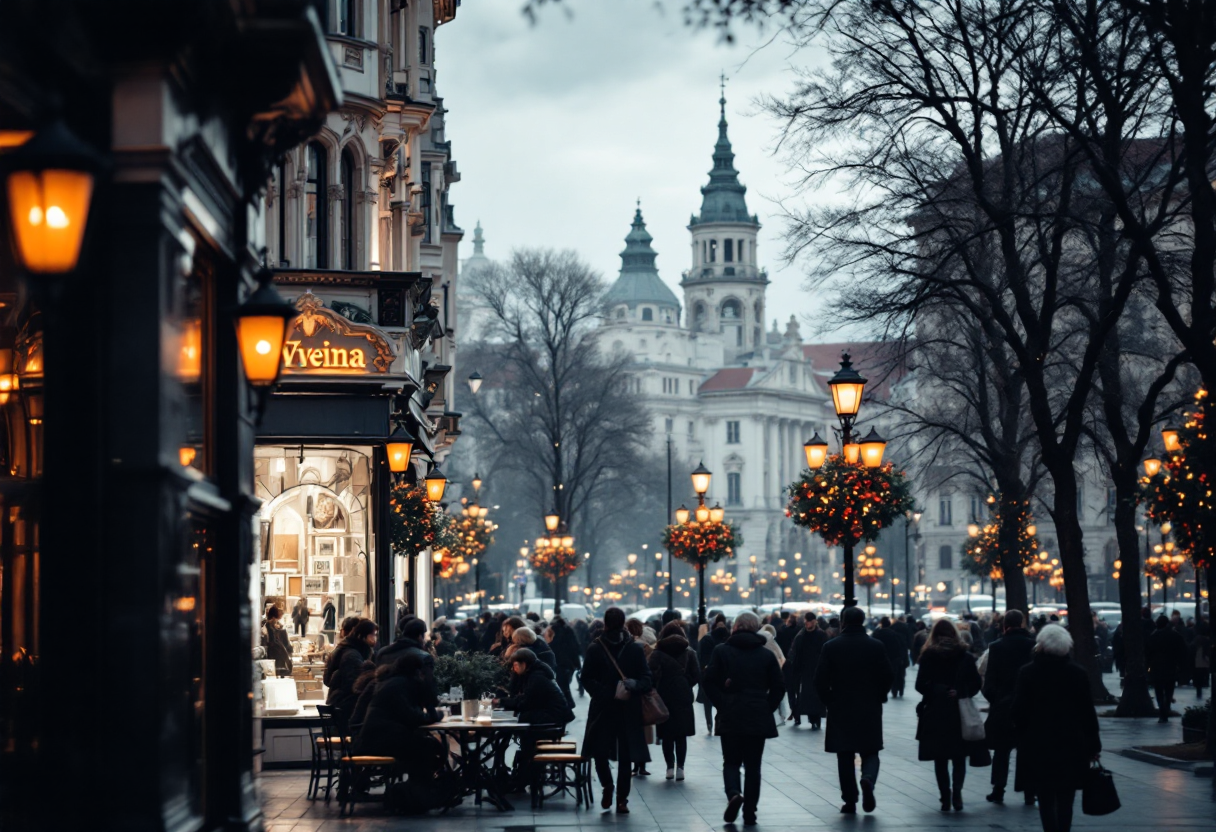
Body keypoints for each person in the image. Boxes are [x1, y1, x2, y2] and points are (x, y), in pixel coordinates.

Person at [1012, 624, 1101, 832]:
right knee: (1066, 797)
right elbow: (1087, 712)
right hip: (1071, 743)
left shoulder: (1028, 672)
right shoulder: (1077, 673)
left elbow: (1017, 709)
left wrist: (1021, 733)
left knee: (1044, 795)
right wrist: (1093, 745)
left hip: (1038, 743)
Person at [702, 612, 785, 826]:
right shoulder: (766, 655)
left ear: (736, 627)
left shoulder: (722, 651)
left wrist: (722, 702)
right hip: (758, 714)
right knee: (753, 766)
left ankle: (733, 794)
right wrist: (767, 707)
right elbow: (778, 686)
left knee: (730, 761)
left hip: (730, 713)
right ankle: (750, 812)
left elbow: (708, 681)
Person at [813, 605, 894, 815]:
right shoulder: (876, 646)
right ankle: (867, 778)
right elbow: (888, 675)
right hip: (869, 706)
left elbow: (819, 680)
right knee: (871, 750)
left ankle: (850, 799)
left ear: (843, 622)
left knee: (844, 754)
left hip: (841, 706)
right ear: (863, 621)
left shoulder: (831, 646)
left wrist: (829, 700)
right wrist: (880, 695)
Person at [581, 607, 653, 814]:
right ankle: (622, 798)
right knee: (626, 755)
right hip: (628, 707)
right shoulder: (635, 648)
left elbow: (586, 678)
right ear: (623, 623)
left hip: (603, 708)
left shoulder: (595, 647)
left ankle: (607, 786)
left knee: (599, 752)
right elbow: (647, 679)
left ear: (605, 622)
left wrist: (604, 692)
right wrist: (633, 685)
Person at [915, 617, 982, 812]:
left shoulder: (928, 655)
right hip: (958, 712)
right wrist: (960, 691)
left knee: (940, 757)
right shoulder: (965, 656)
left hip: (936, 710)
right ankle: (958, 793)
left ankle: (945, 796)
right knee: (959, 756)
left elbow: (920, 685)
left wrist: (935, 689)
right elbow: (976, 684)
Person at [353, 653, 442, 779]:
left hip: (373, 738)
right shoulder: (400, 685)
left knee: (429, 746)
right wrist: (436, 713)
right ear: (416, 671)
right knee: (428, 747)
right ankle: (419, 788)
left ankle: (419, 787)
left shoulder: (392, 682)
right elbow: (413, 716)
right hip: (380, 741)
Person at [981, 609, 1036, 805]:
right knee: (1027, 750)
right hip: (1028, 706)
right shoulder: (1033, 646)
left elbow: (989, 681)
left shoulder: (996, 647)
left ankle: (998, 788)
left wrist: (995, 700)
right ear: (1021, 623)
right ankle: (1029, 790)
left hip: (1003, 704)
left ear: (1005, 624)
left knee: (1002, 751)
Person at [499, 648, 575, 785]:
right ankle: (522, 775)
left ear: (524, 664)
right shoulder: (533, 674)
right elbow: (521, 698)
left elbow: (525, 702)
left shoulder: (536, 677)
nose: (513, 669)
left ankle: (524, 777)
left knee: (524, 737)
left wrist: (501, 702)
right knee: (521, 733)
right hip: (551, 717)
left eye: (516, 665)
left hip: (552, 721)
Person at [648, 620, 700, 781]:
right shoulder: (689, 652)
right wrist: (685, 683)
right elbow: (696, 675)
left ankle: (669, 767)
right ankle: (681, 768)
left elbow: (651, 675)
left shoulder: (657, 653)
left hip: (664, 695)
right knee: (681, 734)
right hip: (683, 695)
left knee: (667, 733)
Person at [325, 619, 378, 714]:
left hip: (337, 702)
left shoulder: (345, 648)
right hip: (346, 706)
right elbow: (354, 685)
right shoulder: (352, 655)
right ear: (363, 635)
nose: (375, 639)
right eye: (373, 635)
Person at [786, 614, 828, 728]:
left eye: (809, 622)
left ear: (814, 621)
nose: (807, 624)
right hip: (804, 670)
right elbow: (795, 651)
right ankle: (809, 718)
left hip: (814, 669)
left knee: (813, 696)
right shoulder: (803, 635)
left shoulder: (815, 635)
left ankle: (814, 719)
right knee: (806, 695)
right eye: (806, 622)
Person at [1146, 614, 1188, 722]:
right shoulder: (1175, 636)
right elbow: (1183, 652)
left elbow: (1147, 653)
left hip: (1156, 667)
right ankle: (1167, 706)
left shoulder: (1153, 636)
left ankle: (1162, 710)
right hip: (1171, 666)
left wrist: (1147, 667)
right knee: (1169, 690)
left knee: (1159, 691)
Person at [697, 618, 729, 735]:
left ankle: (709, 722)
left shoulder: (706, 639)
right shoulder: (726, 641)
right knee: (720, 700)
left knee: (708, 701)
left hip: (708, 673)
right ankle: (716, 721)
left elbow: (701, 657)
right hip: (722, 675)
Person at [547, 616, 582, 709]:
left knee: (560, 685)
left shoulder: (552, 631)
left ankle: (566, 705)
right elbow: (576, 648)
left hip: (557, 662)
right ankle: (567, 704)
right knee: (564, 685)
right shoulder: (569, 630)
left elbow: (552, 646)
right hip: (568, 663)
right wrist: (576, 664)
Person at [871, 616, 910, 698]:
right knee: (897, 674)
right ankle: (897, 688)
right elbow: (901, 647)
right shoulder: (895, 634)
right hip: (894, 657)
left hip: (881, 657)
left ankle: (888, 690)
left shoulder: (877, 634)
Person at [262, 606, 294, 675]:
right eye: (276, 619)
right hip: (272, 660)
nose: (277, 622)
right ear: (273, 618)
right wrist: (287, 659)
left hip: (273, 660)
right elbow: (276, 644)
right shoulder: (269, 628)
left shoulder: (269, 627)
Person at [1193, 621, 1211, 699]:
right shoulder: (1206, 640)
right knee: (1203, 674)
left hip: (1198, 660)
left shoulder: (1196, 639)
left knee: (1198, 676)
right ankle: (1204, 684)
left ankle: (1199, 689)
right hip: (1204, 660)